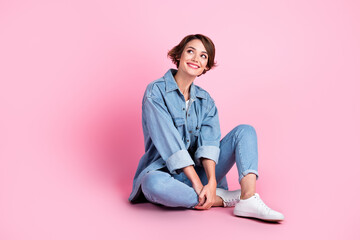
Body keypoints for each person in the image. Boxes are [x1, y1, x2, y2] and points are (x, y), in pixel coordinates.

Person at [128, 34, 284, 222]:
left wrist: (210, 181)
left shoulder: (206, 100)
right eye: (190, 51)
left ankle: (248, 198)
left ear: (207, 66)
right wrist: (198, 184)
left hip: (200, 173)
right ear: (179, 55)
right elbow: (171, 145)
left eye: (203, 56)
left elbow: (209, 144)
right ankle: (221, 199)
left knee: (245, 130)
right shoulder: (156, 91)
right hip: (166, 175)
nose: (196, 59)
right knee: (152, 184)